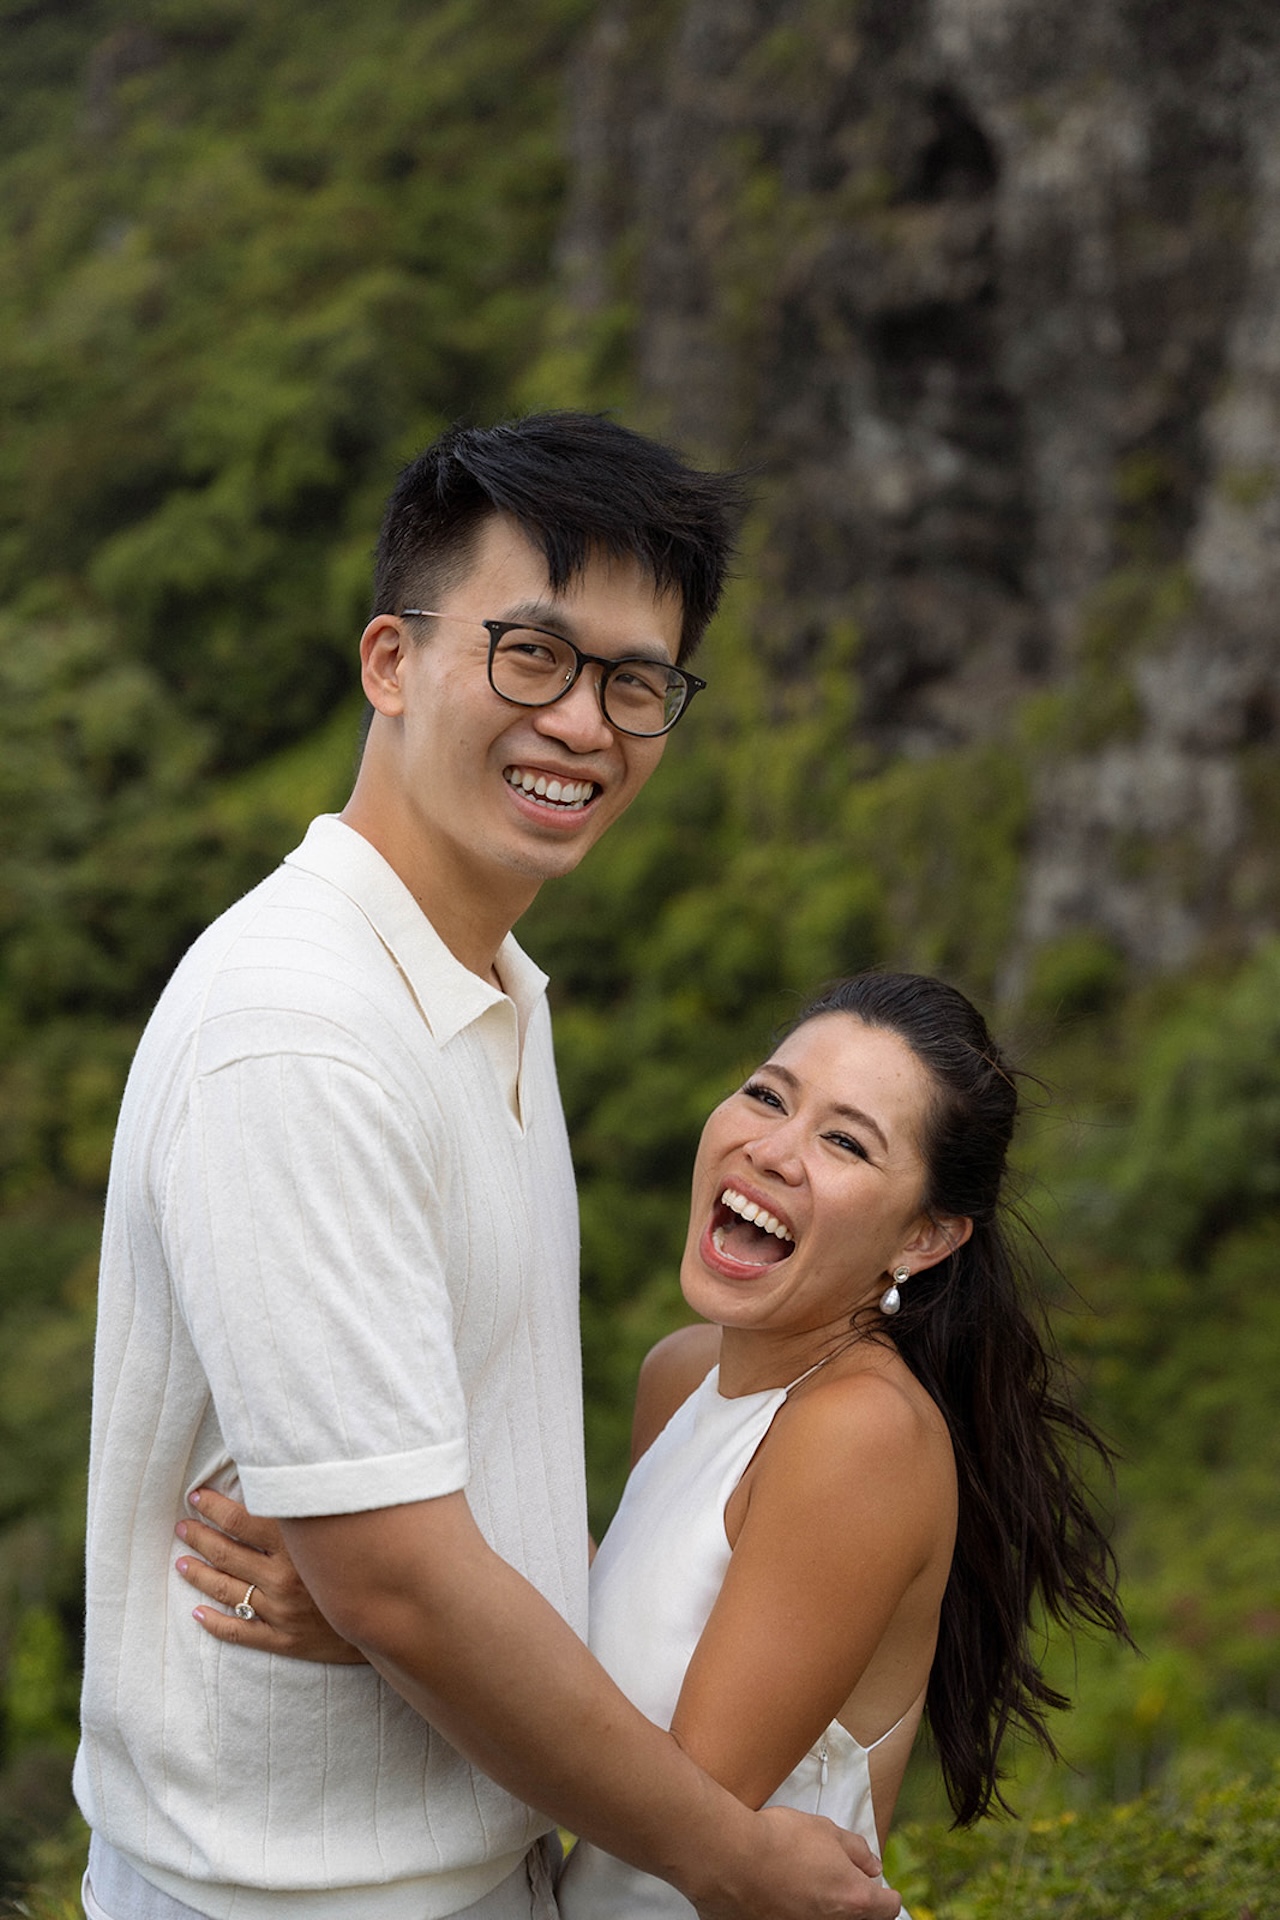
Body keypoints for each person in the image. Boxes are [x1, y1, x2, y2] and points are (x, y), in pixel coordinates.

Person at [75, 412, 903, 1920]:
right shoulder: (304, 1031)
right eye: (532, 654)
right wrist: (731, 1860)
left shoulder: (487, 993)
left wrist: (415, 1606)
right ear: (392, 661)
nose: (584, 724)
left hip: (449, 1861)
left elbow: (406, 1562)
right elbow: (398, 1573)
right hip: (297, 1893)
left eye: (635, 684)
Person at [172, 971, 1131, 1919]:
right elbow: (602, 1625)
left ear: (925, 1237)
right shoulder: (683, 1373)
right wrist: (386, 1552)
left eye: (844, 1142)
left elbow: (678, 1812)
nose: (774, 1151)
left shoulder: (861, 1432)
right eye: (768, 1097)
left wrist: (377, 1622)